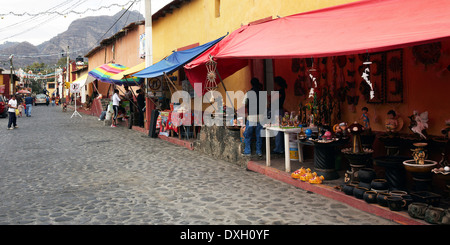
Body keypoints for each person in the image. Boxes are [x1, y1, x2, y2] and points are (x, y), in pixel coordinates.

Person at [243, 78, 264, 157]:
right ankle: (259, 152)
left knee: (248, 135)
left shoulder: (248, 93)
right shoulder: (262, 93)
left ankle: (247, 151)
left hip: (251, 117)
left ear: (251, 84)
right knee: (259, 135)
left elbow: (244, 104)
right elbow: (266, 105)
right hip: (260, 117)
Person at [272, 76, 287, 154]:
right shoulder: (280, 91)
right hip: (279, 110)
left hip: (278, 111)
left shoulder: (280, 91)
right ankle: (280, 147)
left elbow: (272, 99)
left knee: (278, 129)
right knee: (278, 128)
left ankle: (279, 148)